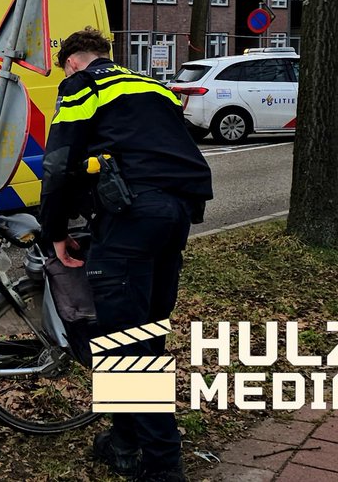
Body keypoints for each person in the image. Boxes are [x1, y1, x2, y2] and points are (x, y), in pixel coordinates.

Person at [39, 28, 213, 482]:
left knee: (125, 350)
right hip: (176, 215)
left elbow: (58, 163)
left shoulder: (83, 85)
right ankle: (124, 440)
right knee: (141, 337)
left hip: (133, 217)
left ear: (72, 61)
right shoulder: (153, 86)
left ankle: (162, 465)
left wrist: (54, 231)